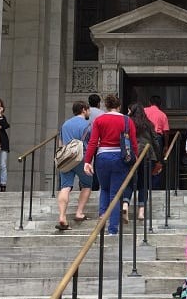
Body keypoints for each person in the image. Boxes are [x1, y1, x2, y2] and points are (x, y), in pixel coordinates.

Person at [83, 94, 138, 235]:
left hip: (102, 157)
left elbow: (93, 142)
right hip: (120, 158)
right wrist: (135, 159)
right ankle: (112, 229)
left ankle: (102, 218)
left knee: (104, 189)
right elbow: (133, 143)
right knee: (115, 194)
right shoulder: (127, 120)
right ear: (119, 106)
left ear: (105, 106)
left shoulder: (99, 120)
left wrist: (87, 161)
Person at [56, 101, 92, 231]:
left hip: (66, 158)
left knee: (65, 187)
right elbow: (92, 142)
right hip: (82, 157)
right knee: (87, 185)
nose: (89, 112)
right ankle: (79, 213)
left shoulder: (65, 124)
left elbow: (61, 143)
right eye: (88, 110)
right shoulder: (88, 124)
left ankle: (62, 216)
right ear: (84, 110)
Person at [124, 102, 161, 222]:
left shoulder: (128, 122)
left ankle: (125, 204)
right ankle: (141, 212)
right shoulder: (148, 124)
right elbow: (155, 141)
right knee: (143, 184)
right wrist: (158, 158)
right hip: (147, 154)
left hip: (131, 154)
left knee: (129, 181)